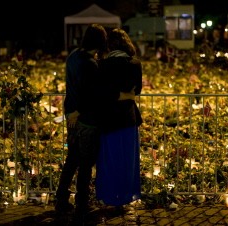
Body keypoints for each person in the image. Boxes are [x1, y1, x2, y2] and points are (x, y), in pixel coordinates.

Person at [54, 24, 108, 220]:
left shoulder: (73, 56)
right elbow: (91, 96)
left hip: (72, 118)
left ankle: (61, 199)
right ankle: (82, 203)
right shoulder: (91, 65)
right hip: (88, 120)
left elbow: (73, 87)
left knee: (71, 160)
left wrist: (72, 112)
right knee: (85, 164)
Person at [95, 28, 143, 209]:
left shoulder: (102, 65)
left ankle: (107, 196)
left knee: (108, 159)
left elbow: (102, 92)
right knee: (127, 160)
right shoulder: (135, 63)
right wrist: (125, 95)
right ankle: (124, 196)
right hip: (128, 118)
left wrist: (115, 95)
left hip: (108, 118)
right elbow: (136, 90)